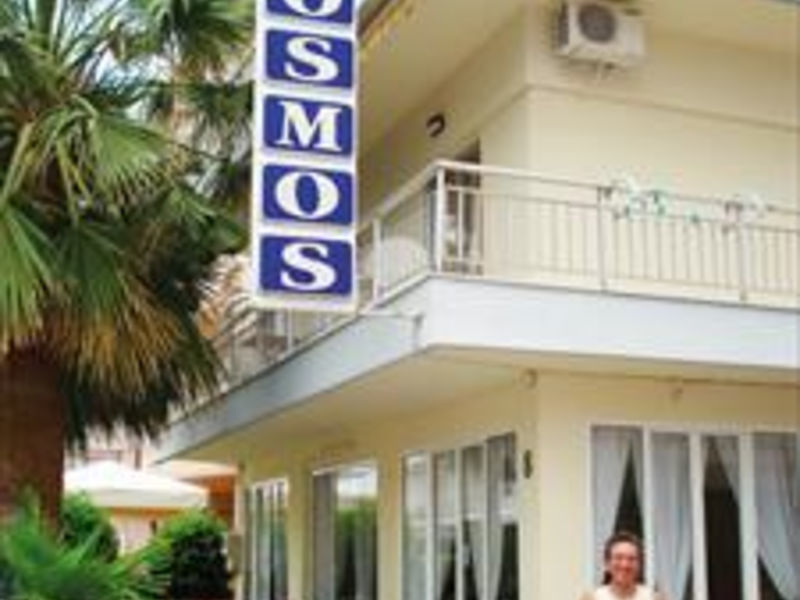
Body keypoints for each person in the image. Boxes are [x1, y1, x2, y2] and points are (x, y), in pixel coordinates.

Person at [579, 532, 667, 600]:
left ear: (640, 565)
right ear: (607, 564)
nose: (625, 565)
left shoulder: (654, 598)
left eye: (631, 559)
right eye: (618, 558)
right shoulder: (592, 598)